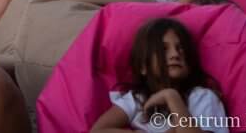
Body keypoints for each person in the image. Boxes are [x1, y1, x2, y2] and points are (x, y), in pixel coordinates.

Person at [90, 18, 226, 133]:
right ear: (143, 66)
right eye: (164, 49)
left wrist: (172, 97)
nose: (175, 55)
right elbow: (97, 131)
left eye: (180, 49)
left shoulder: (201, 97)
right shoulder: (137, 99)